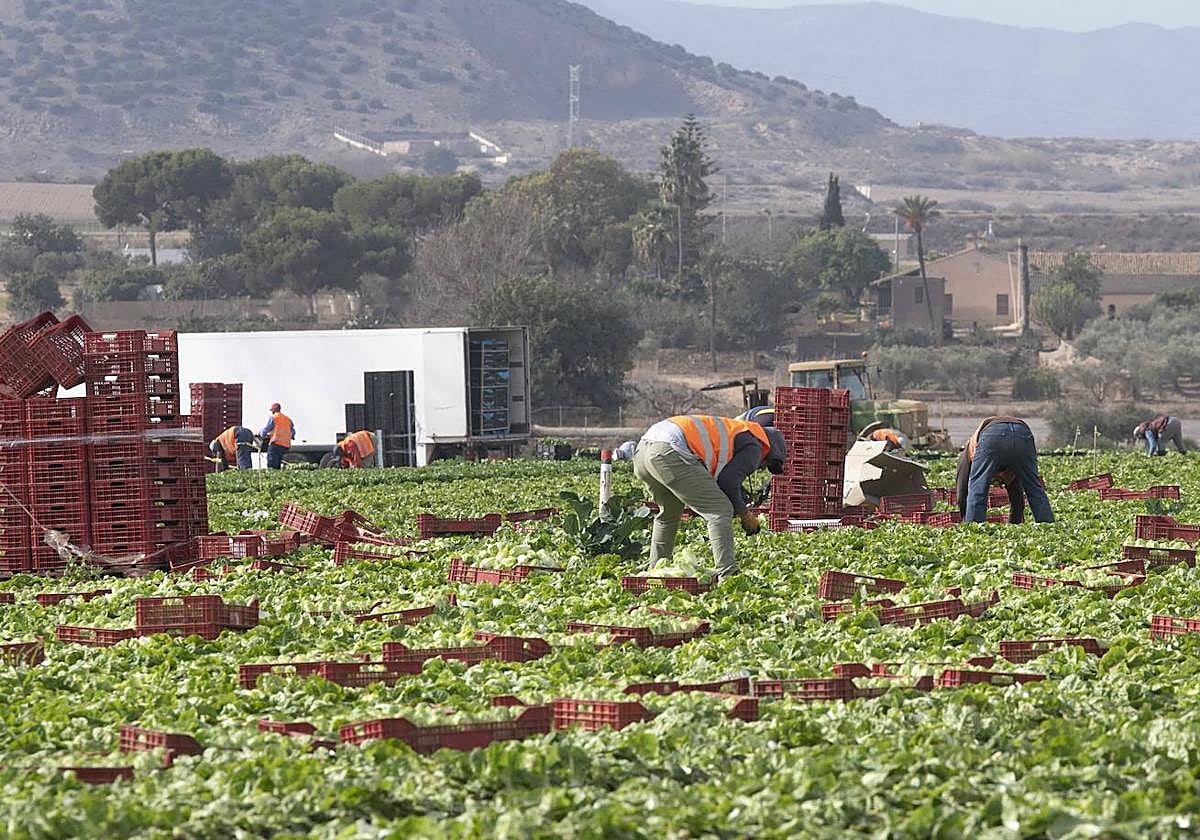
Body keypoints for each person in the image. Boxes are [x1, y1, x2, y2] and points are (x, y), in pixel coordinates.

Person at [633, 414, 787, 578]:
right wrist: (744, 514)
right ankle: (728, 573)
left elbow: (723, 480)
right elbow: (728, 482)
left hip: (643, 451)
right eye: (766, 465)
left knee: (669, 513)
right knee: (720, 510)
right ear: (770, 453)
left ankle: (656, 572)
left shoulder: (739, 431)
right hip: (669, 451)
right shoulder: (756, 447)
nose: (760, 468)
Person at [956, 416, 1053, 524]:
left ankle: (973, 530)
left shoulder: (967, 457)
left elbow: (962, 493)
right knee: (1034, 488)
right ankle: (1047, 525)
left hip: (993, 436)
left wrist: (966, 521)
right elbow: (1017, 499)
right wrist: (1014, 524)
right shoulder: (1012, 468)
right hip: (1022, 434)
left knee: (978, 488)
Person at [260, 403, 295, 470]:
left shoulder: (274, 417)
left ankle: (272, 477)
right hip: (285, 446)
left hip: (276, 444)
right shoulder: (288, 419)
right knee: (278, 463)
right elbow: (293, 432)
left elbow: (267, 429)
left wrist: (261, 434)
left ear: (273, 410)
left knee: (271, 463)